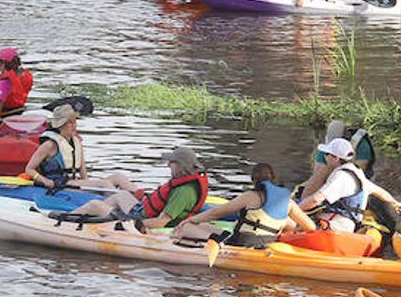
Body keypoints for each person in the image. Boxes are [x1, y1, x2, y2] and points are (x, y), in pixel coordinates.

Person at [69, 146, 209, 231]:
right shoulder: (184, 184)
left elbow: (161, 222)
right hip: (141, 211)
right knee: (121, 195)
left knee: (95, 204)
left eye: (171, 162)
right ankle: (93, 220)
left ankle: (62, 222)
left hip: (140, 220)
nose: (168, 165)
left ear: (181, 165)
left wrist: (131, 224)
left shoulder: (183, 192)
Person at [174, 163, 317, 246]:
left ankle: (186, 237)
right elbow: (310, 227)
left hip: (243, 242)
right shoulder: (288, 202)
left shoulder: (249, 196)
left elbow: (216, 213)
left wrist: (191, 219)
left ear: (253, 180)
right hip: (270, 243)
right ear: (273, 178)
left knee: (188, 226)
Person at [297, 137, 401, 232]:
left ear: (336, 158)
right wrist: (395, 203)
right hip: (345, 226)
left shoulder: (341, 177)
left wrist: (296, 209)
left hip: (332, 227)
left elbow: (315, 200)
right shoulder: (357, 173)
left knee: (290, 208)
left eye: (327, 154)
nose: (325, 158)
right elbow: (380, 192)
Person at [23, 105, 133, 192]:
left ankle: (139, 201)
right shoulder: (49, 145)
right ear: (60, 125)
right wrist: (44, 180)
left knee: (119, 177)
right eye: (70, 123)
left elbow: (83, 171)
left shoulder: (77, 143)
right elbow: (29, 169)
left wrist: (88, 186)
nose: (74, 126)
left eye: (75, 122)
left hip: (76, 183)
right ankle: (121, 202)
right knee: (103, 184)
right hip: (61, 184)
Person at [0, 47, 33, 112]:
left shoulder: (4, 81)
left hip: (6, 114)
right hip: (19, 111)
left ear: (3, 64)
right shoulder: (26, 76)